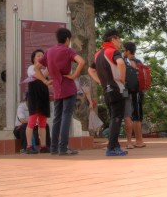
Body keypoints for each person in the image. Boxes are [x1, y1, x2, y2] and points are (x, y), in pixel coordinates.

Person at [44, 27, 86, 156]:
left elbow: (38, 68)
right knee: (66, 116)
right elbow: (81, 61)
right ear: (67, 39)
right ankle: (63, 147)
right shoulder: (68, 50)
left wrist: (46, 81)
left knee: (57, 117)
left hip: (57, 88)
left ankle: (54, 147)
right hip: (68, 86)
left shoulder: (50, 51)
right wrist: (74, 76)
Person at [88, 28, 127, 156]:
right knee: (117, 118)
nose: (120, 42)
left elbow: (90, 70)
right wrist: (122, 77)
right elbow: (121, 63)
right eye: (119, 38)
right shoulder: (113, 51)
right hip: (117, 89)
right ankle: (111, 148)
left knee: (113, 118)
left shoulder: (98, 54)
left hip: (106, 91)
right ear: (113, 39)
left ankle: (115, 146)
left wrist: (100, 81)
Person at [24, 49, 51, 154]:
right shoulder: (31, 68)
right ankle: (29, 146)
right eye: (38, 56)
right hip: (34, 98)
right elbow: (38, 75)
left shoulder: (43, 70)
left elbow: (44, 74)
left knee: (43, 123)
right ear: (33, 59)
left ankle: (43, 146)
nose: (41, 57)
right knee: (31, 122)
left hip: (43, 97)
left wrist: (49, 63)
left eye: (42, 56)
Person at [122, 41, 146, 149]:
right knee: (138, 116)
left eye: (124, 50)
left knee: (131, 116)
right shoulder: (139, 62)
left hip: (129, 92)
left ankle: (134, 141)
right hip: (139, 92)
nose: (123, 52)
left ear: (128, 51)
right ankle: (139, 140)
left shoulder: (126, 62)